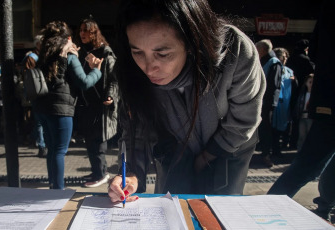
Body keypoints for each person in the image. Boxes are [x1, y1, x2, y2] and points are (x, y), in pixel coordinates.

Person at [107, 0, 265, 203]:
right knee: (171, 205)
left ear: (192, 43)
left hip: (229, 148)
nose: (148, 68)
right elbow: (136, 132)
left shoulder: (236, 50)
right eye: (137, 52)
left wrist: (207, 156)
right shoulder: (133, 71)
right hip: (174, 149)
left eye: (162, 54)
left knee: (220, 208)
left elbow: (245, 118)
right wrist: (129, 173)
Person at [268, 0, 335, 223]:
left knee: (311, 163)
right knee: (310, 164)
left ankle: (324, 208)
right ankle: (263, 209)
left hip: (328, 97)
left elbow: (316, 50)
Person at [34, 21, 104, 189]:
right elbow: (84, 82)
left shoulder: (45, 55)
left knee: (52, 149)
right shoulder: (69, 56)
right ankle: (58, 190)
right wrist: (97, 70)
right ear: (68, 38)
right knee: (60, 150)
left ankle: (53, 184)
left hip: (42, 108)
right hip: (61, 109)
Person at [75, 17, 119, 188]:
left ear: (94, 32)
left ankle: (101, 173)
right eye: (81, 30)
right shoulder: (82, 52)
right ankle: (96, 171)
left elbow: (115, 79)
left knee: (98, 140)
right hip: (87, 104)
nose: (82, 34)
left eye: (86, 30)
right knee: (89, 140)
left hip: (101, 104)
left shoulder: (105, 52)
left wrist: (110, 96)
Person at [255, 39, 283, 168]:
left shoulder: (274, 63)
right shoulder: (262, 61)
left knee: (266, 129)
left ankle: (266, 154)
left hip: (267, 103)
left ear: (263, 50)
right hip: (260, 101)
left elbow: (273, 85)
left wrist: (269, 103)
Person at [19, 34, 47, 157]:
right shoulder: (32, 58)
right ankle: (42, 146)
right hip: (36, 93)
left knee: (39, 121)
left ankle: (33, 138)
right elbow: (28, 77)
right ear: (38, 44)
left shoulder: (43, 56)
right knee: (40, 121)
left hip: (44, 92)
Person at [285, 39, 315, 149]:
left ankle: (289, 141)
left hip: (290, 92)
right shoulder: (307, 61)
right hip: (303, 91)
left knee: (292, 118)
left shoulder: (291, 59)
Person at [270, 47, 295, 158]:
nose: (284, 59)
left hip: (285, 103)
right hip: (275, 103)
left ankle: (279, 148)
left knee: (283, 127)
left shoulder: (289, 71)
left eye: (285, 57)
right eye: (282, 56)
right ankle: (273, 149)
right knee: (273, 128)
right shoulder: (273, 67)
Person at [294, 74, 313, 151]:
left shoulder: (315, 95)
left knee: (310, 136)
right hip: (302, 117)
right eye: (310, 82)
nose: (311, 84)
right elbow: (299, 105)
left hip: (310, 117)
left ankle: (308, 152)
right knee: (302, 135)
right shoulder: (303, 93)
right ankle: (300, 151)